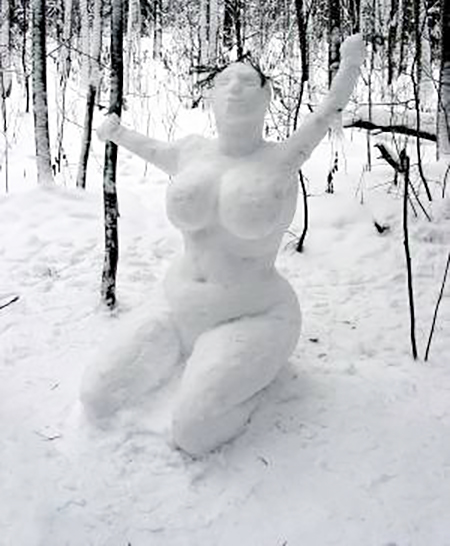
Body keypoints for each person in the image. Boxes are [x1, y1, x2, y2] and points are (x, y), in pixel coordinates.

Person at [81, 34, 366, 455]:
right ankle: (194, 363)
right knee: (97, 396)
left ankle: (247, 381)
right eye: (224, 82)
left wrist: (350, 65)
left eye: (248, 82)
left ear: (267, 96)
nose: (234, 89)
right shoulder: (191, 152)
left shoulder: (282, 158)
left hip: (253, 316)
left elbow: (328, 112)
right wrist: (116, 132)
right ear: (210, 96)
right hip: (176, 308)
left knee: (194, 431)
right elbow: (150, 148)